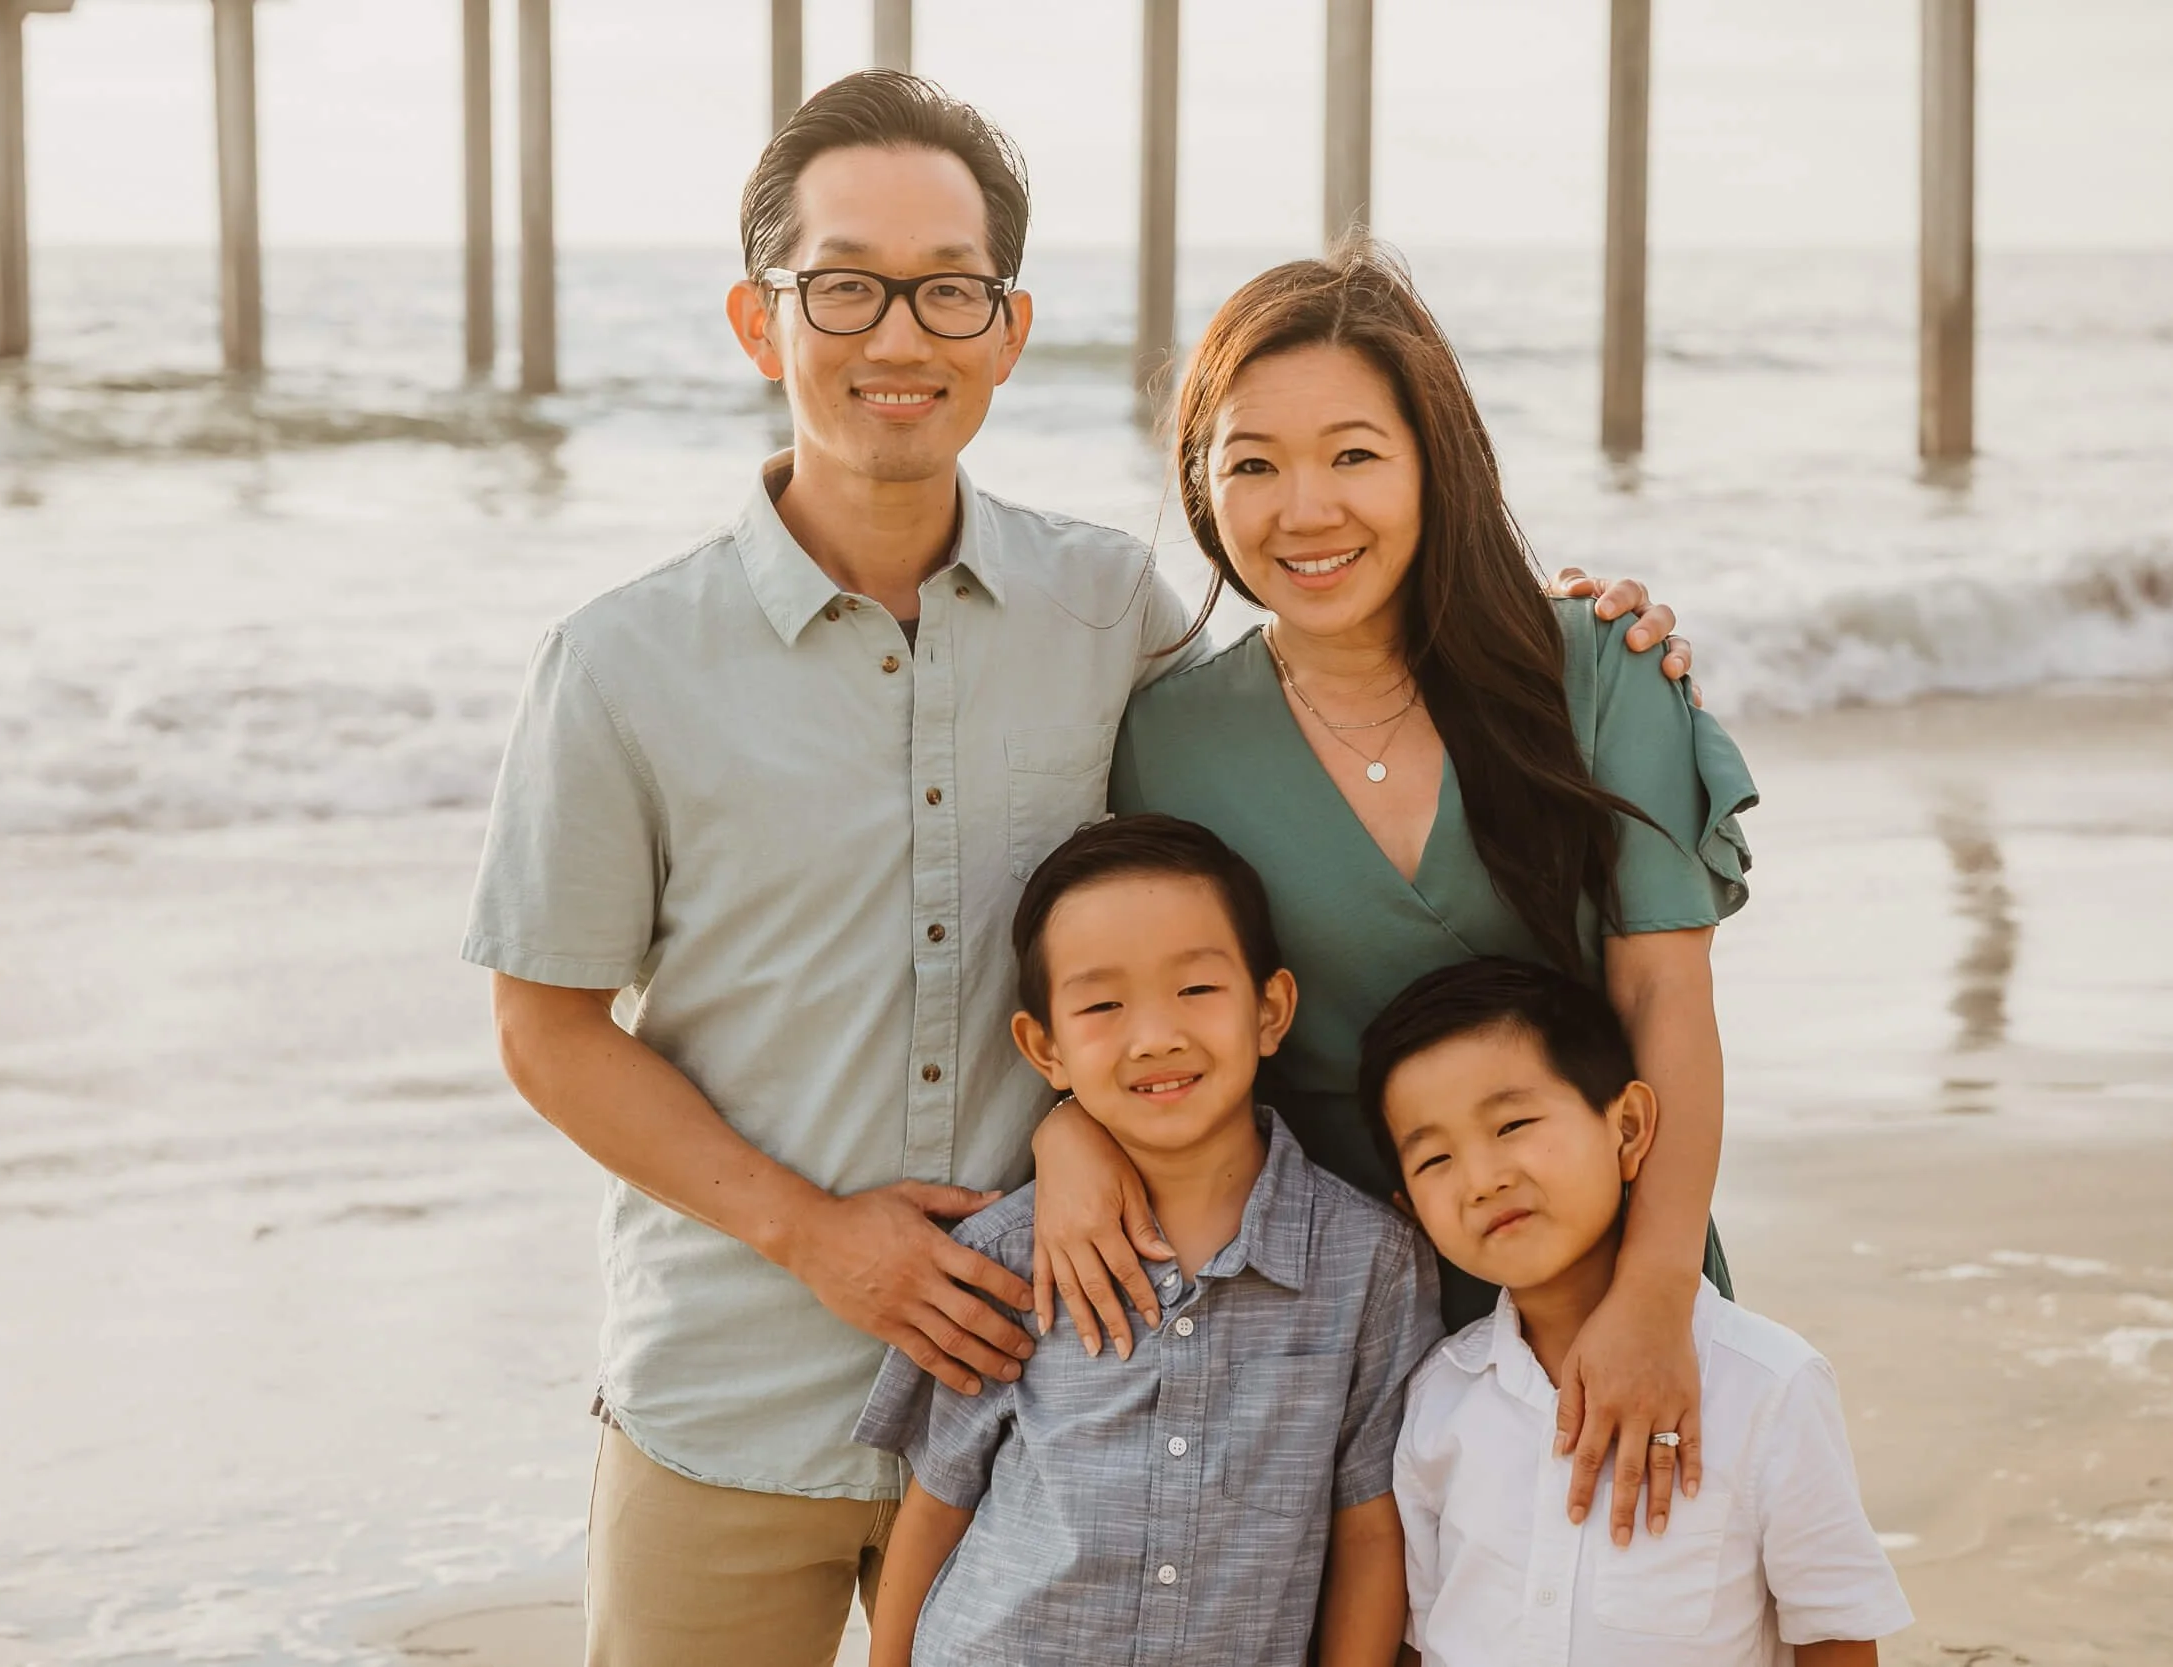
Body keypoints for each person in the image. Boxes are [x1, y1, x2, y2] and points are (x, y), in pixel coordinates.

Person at [463, 71, 1689, 1666]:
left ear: (1009, 330)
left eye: (948, 289)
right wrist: (819, 1234)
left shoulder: (1110, 613)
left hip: (1091, 1402)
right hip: (736, 1396)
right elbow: (546, 1027)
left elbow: (1288, 749)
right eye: (844, 286)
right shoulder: (621, 662)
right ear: (761, 321)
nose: (900, 333)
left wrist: (1590, 627)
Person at [1042, 241, 1755, 1552]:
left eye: (1354, 454)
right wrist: (1066, 1133)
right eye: (1252, 463)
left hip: (1600, 1267)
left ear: (1437, 460)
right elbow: (1151, 1011)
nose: (1305, 509)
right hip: (1320, 1305)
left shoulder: (1598, 668)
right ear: (1200, 484)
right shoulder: (1165, 741)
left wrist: (1655, 1295)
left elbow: (1666, 996)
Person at [854, 814, 1439, 1667]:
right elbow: (939, 1502)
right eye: (1102, 1004)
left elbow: (1369, 1527)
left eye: (1196, 988)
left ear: (1270, 1009)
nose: (1156, 1035)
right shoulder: (1003, 1255)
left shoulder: (1370, 1262)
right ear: (1045, 1047)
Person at [1362, 957, 1912, 1666]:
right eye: (1435, 1160)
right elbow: (1425, 1635)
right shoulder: (1438, 1397)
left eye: (1514, 1123)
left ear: (1627, 1127)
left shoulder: (1767, 1385)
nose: (1483, 1179)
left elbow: (1835, 1636)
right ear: (1410, 1210)